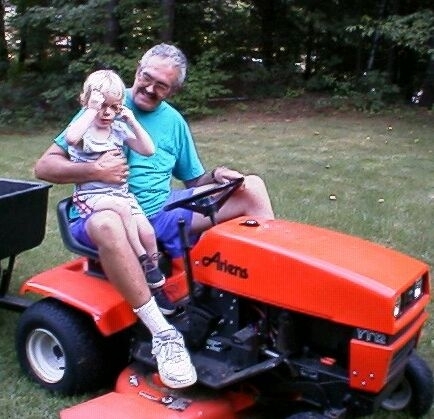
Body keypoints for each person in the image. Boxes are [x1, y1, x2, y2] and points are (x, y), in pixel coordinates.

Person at [34, 43, 275, 390]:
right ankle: (163, 335)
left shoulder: (173, 122)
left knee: (251, 186)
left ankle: (269, 302)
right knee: (109, 222)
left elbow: (194, 181)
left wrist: (217, 174)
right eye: (147, 78)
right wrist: (95, 170)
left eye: (162, 85)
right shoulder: (106, 103)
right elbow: (45, 166)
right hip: (100, 210)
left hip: (162, 210)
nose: (149, 88)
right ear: (137, 70)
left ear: (173, 90)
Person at [66, 69, 168, 301]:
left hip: (121, 195)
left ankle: (153, 279)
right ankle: (142, 258)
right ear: (86, 101)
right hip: (91, 197)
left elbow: (148, 150)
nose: (107, 112)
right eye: (102, 106)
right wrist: (90, 110)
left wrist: (132, 120)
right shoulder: (84, 130)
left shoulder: (118, 130)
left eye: (114, 107)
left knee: (148, 232)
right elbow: (70, 138)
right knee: (122, 209)